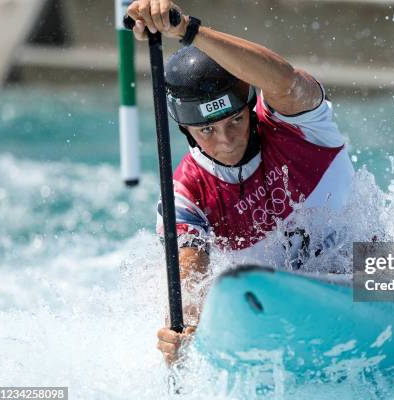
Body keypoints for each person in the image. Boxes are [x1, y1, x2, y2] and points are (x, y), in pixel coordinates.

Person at [127, 0, 354, 366]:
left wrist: (188, 30)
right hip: (279, 312)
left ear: (249, 106)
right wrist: (181, 327)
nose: (226, 140)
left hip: (374, 271)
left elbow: (285, 79)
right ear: (185, 131)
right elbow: (191, 274)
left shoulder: (299, 126)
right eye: (207, 130)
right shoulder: (185, 193)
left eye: (234, 120)